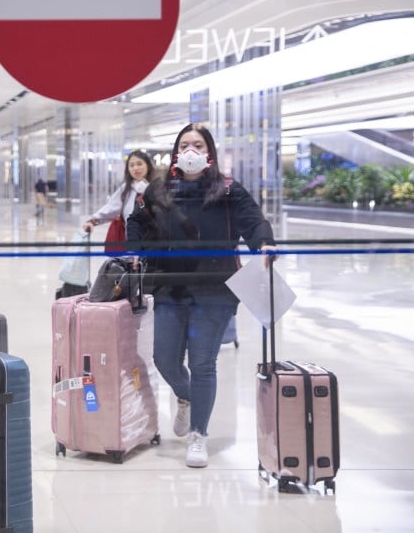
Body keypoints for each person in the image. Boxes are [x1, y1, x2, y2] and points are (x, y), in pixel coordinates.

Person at [126, 123, 276, 469]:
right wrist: (134, 252)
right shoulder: (161, 189)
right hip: (170, 285)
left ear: (209, 152)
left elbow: (253, 221)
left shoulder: (227, 189)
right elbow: (137, 222)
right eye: (185, 144)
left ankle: (199, 434)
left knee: (203, 363)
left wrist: (264, 244)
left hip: (214, 288)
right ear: (176, 151)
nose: (191, 149)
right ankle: (185, 396)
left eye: (198, 144)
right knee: (164, 358)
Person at [82, 150, 155, 234]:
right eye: (131, 165)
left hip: (153, 240)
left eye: (139, 164)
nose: (135, 168)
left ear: (148, 166)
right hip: (131, 239)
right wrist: (92, 221)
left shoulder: (156, 188)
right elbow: (111, 208)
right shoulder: (126, 189)